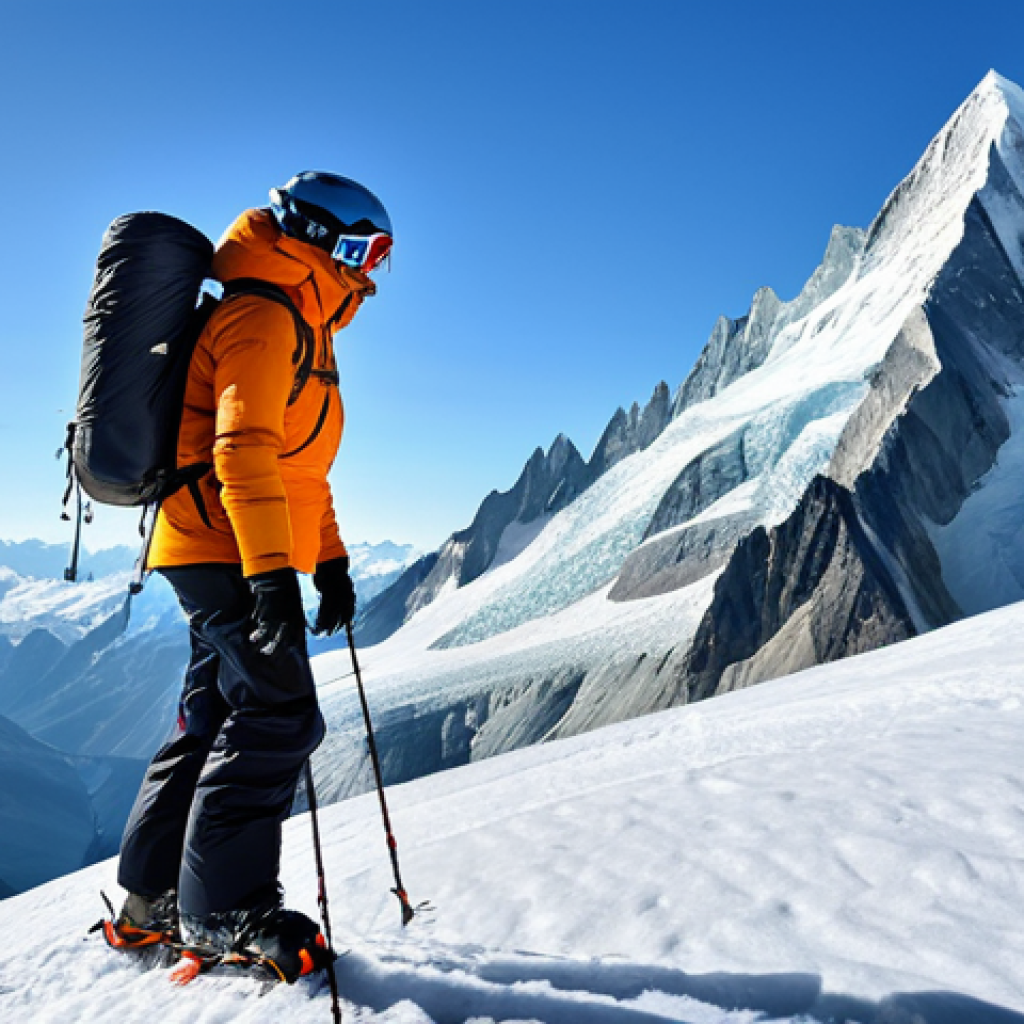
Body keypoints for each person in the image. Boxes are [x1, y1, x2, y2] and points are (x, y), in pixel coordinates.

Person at [108, 171, 393, 983]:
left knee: (210, 713)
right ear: (320, 239)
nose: (373, 270)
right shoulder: (264, 317)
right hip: (221, 544)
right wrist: (272, 577)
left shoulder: (299, 321)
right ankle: (224, 911)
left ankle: (148, 905)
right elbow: (240, 452)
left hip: (217, 543)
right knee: (278, 713)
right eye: (366, 247)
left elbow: (301, 466)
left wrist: (328, 556)